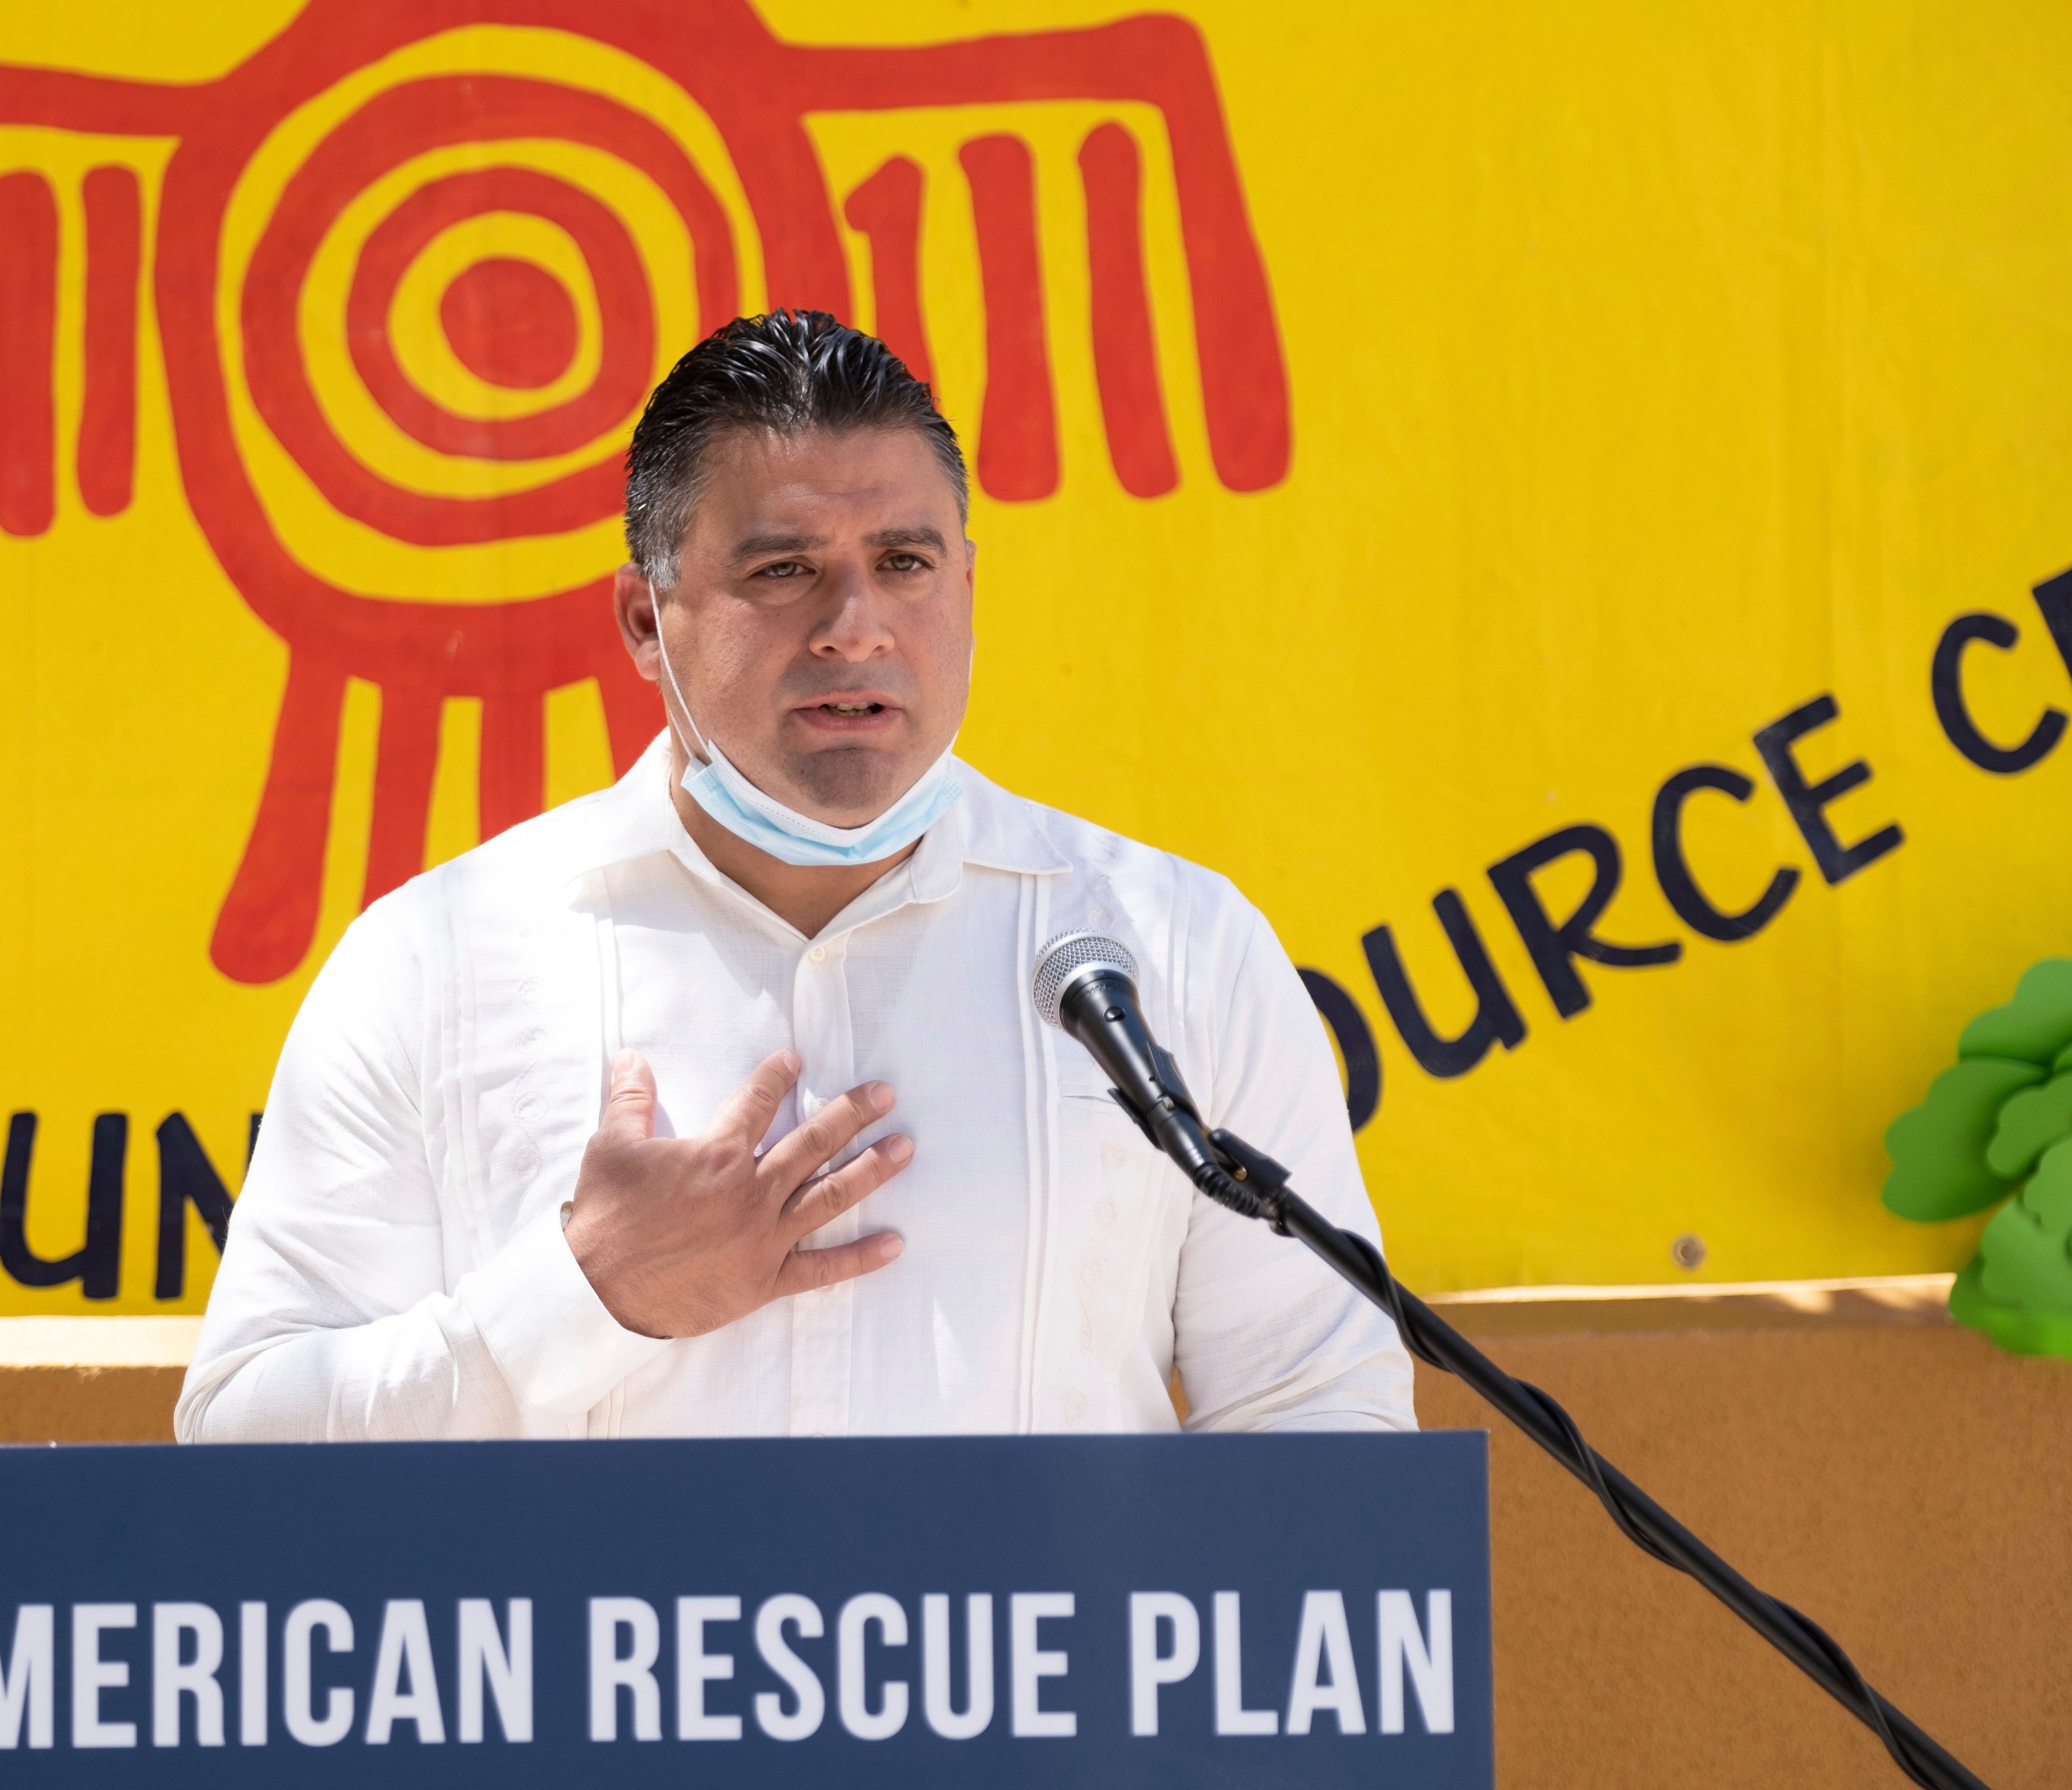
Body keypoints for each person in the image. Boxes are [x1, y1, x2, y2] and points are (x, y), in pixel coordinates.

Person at [176, 310, 1411, 1442]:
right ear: (643, 622)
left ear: (970, 588)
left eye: (907, 563)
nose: (855, 626)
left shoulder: (1166, 952)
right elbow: (242, 1445)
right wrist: (581, 1296)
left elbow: (1322, 1415)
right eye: (784, 570)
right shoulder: (434, 966)